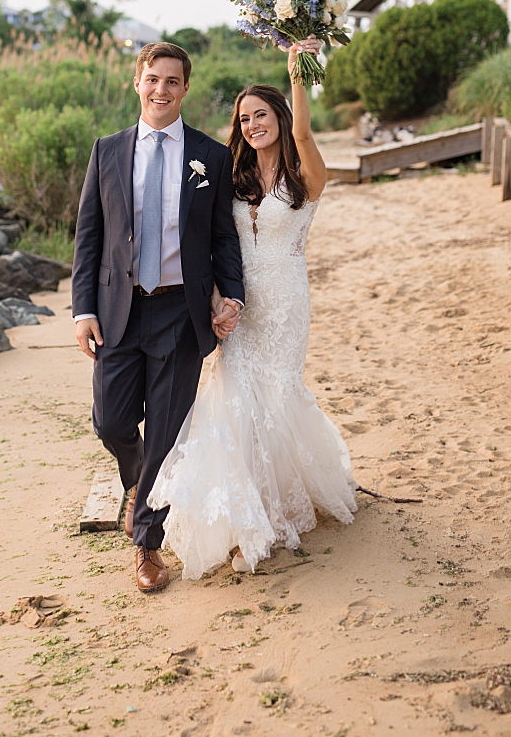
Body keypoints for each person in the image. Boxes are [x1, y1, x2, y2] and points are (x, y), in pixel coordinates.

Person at [149, 37, 357, 579]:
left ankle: (267, 508)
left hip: (286, 303)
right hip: (241, 308)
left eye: (261, 115)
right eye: (243, 119)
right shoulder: (234, 179)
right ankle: (245, 519)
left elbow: (306, 131)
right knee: (235, 403)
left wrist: (298, 73)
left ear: (281, 119)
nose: (251, 126)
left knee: (275, 399)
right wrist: (218, 297)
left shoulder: (306, 176)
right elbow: (216, 243)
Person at [71, 42, 246, 593]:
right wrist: (82, 311)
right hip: (118, 310)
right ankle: (143, 477)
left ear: (185, 88)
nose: (161, 90)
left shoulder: (210, 157)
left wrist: (231, 296)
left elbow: (223, 238)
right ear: (136, 82)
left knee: (167, 429)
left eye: (172, 81)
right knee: (112, 423)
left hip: (179, 311)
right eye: (152, 79)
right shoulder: (108, 150)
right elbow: (89, 238)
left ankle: (146, 544)